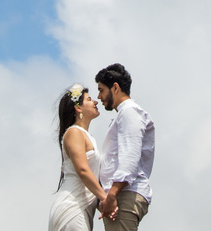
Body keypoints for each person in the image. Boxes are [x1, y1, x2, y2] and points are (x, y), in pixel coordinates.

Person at [95, 64, 154, 231]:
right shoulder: (124, 114)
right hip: (120, 195)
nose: (99, 96)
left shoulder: (129, 112)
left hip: (124, 195)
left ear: (115, 87)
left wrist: (112, 194)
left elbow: (130, 154)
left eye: (101, 90)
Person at [48, 83, 107, 231]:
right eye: (89, 99)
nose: (95, 102)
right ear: (78, 108)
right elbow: (82, 170)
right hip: (72, 205)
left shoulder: (88, 136)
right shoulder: (74, 132)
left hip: (83, 207)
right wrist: (105, 198)